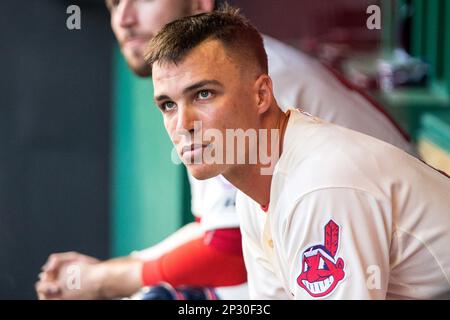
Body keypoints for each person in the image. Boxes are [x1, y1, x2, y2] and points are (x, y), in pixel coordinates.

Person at [36, 0, 414, 300]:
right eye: (114, 4)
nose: (124, 18)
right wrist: (118, 270)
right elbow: (216, 231)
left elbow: (226, 254)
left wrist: (104, 280)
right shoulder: (252, 184)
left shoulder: (245, 77)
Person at [145, 6, 450, 299]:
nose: (183, 124)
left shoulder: (319, 184)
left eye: (203, 94)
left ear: (261, 95)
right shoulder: (254, 194)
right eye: (168, 105)